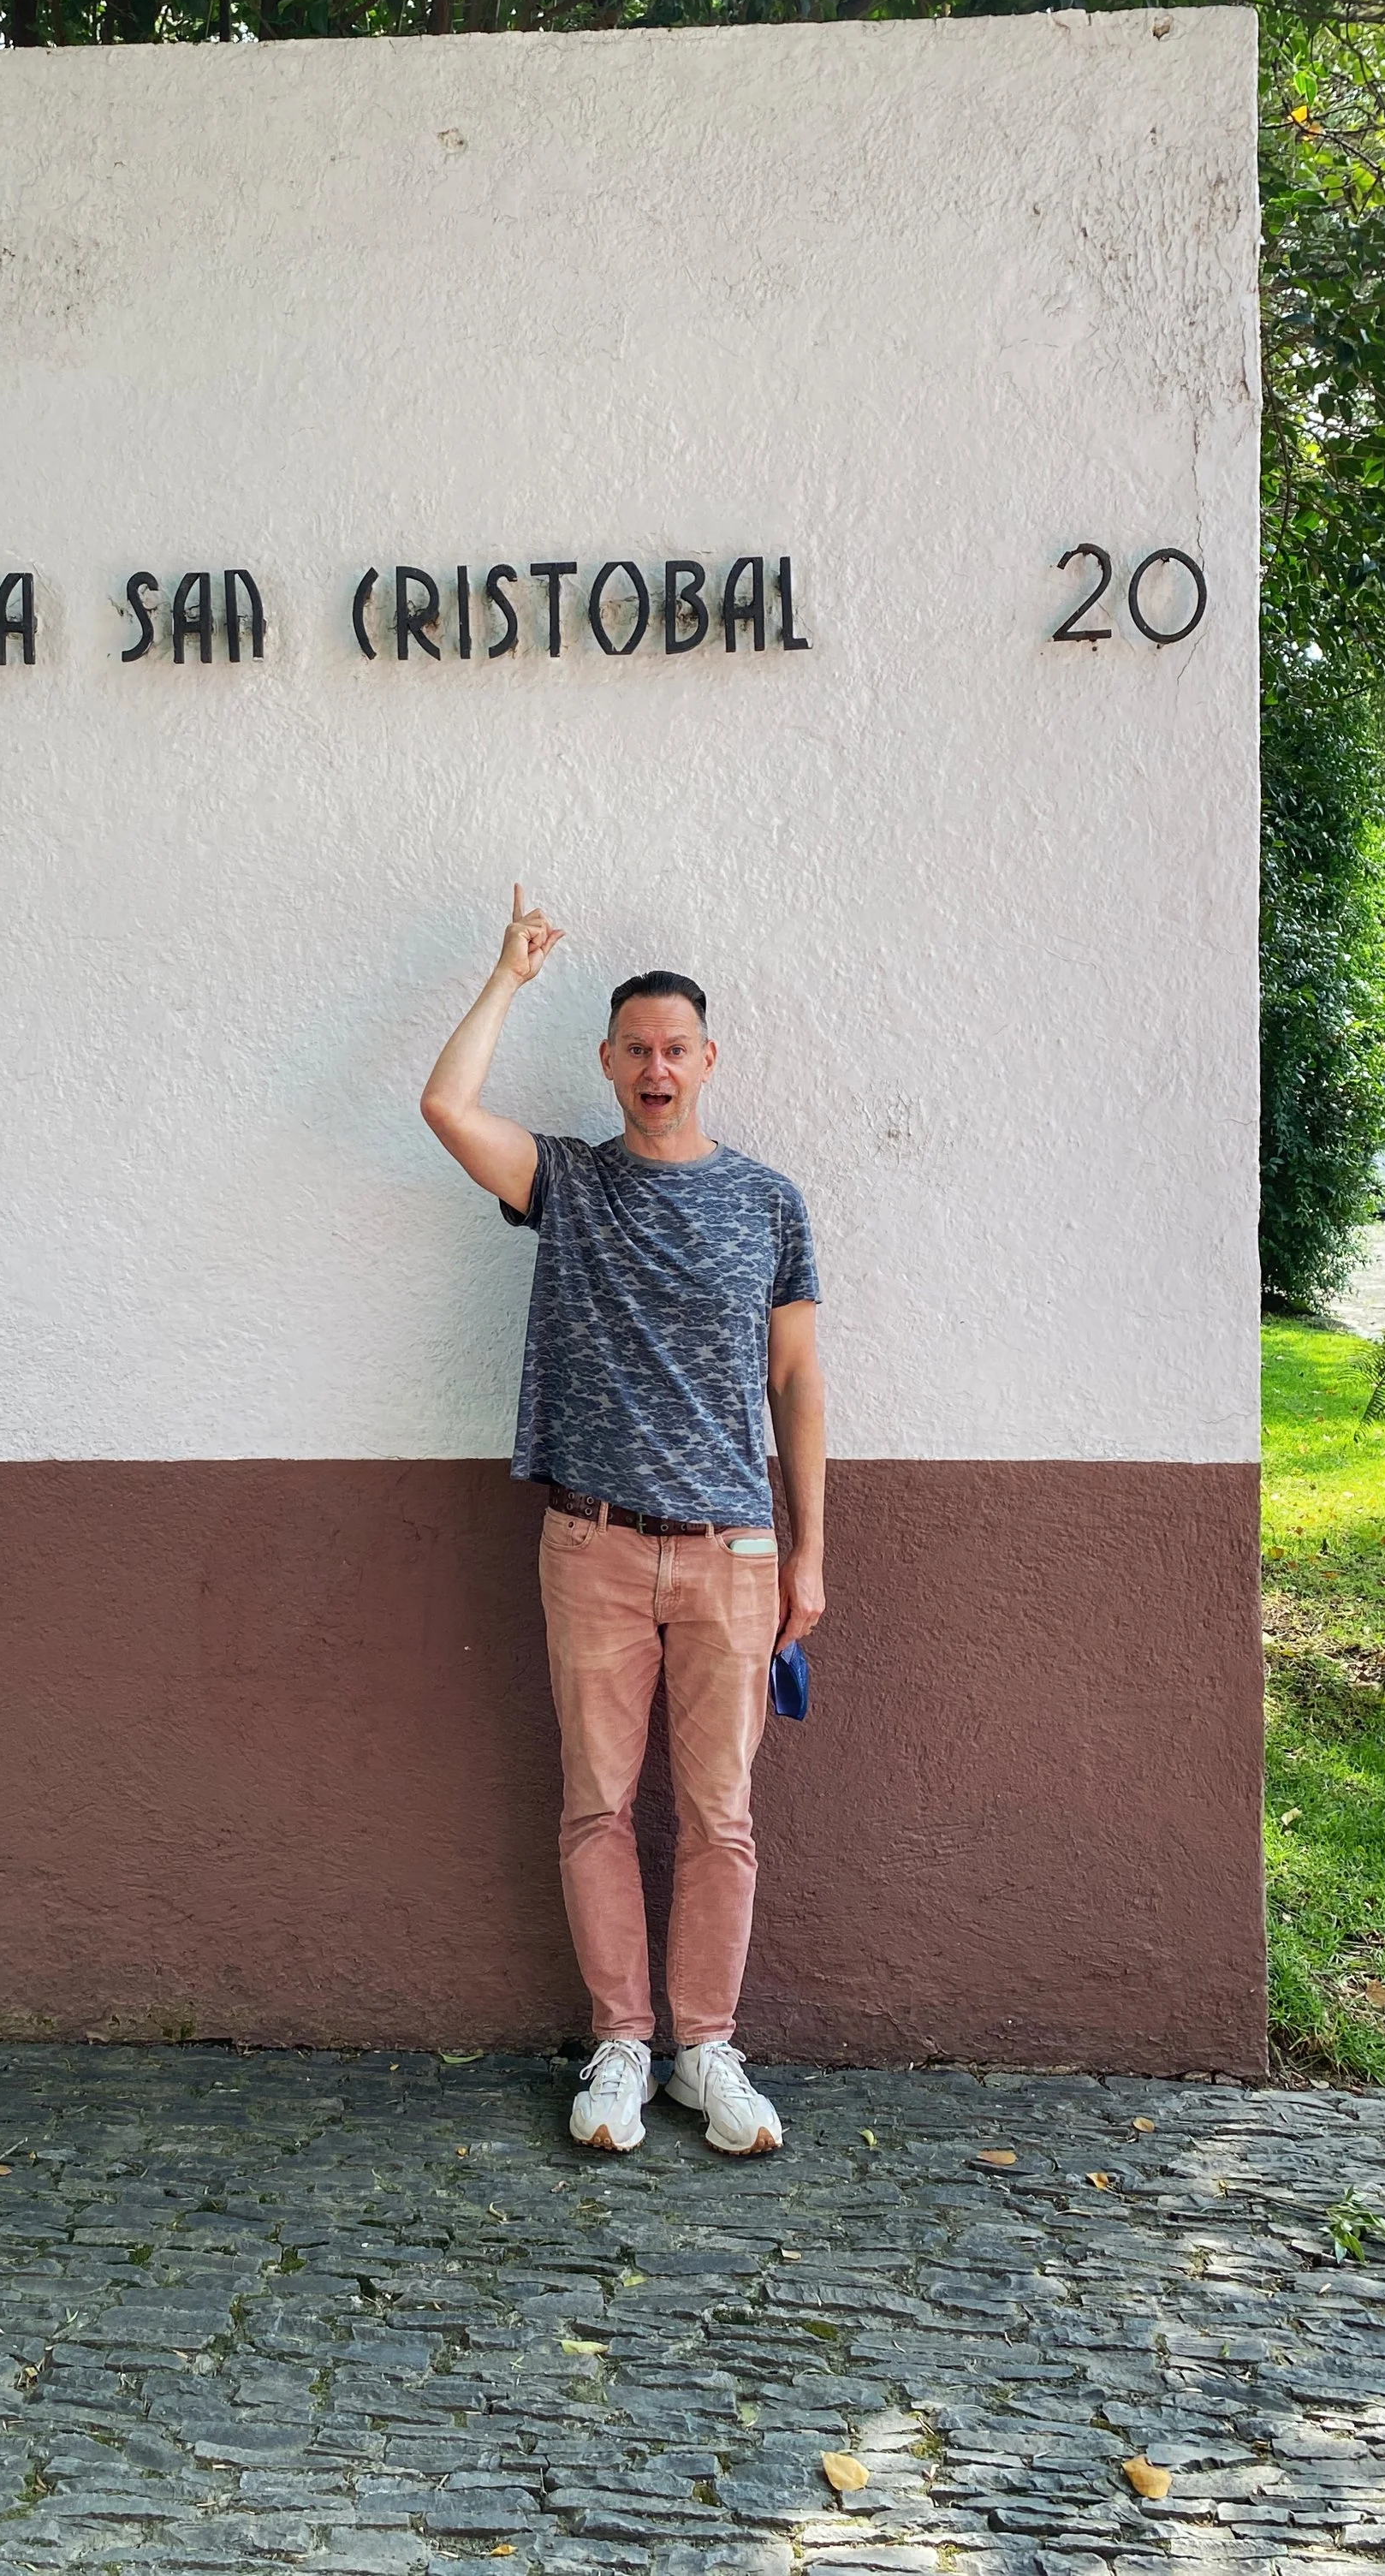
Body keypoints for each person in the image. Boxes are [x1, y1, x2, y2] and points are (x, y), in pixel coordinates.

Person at [420, 887, 825, 2156]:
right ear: (608, 1062)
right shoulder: (571, 1183)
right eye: (637, 1049)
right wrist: (506, 977)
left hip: (733, 1551)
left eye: (677, 1048)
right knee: (596, 1803)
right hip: (590, 1544)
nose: (658, 1068)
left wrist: (811, 1550)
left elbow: (797, 1379)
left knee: (720, 1816)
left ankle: (706, 2049)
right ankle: (620, 2044)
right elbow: (446, 1108)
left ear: (709, 1061)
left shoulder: (769, 1202)